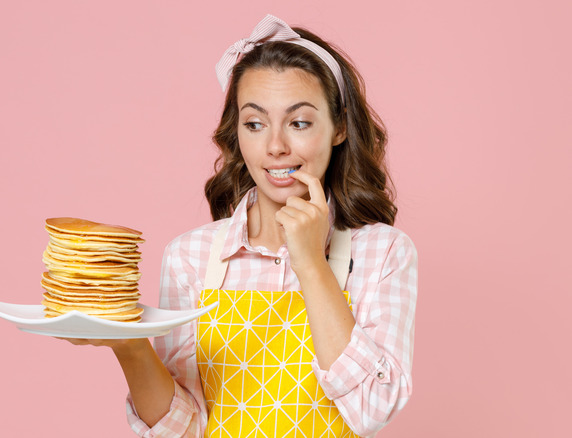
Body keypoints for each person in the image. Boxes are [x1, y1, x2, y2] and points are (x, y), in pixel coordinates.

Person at [64, 14, 417, 438]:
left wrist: (311, 263)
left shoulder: (383, 254)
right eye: (255, 123)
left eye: (299, 122)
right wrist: (129, 344)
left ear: (339, 127)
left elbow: (371, 410)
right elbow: (186, 427)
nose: (275, 146)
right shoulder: (190, 257)